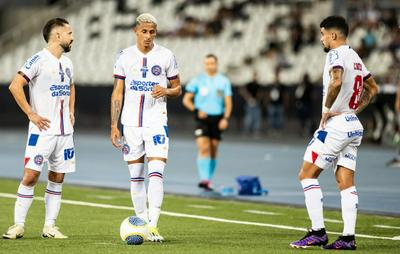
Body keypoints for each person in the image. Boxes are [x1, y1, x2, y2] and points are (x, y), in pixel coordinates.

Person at [290, 16, 378, 250]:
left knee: (307, 175)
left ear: (333, 35)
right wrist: (354, 110)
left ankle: (318, 232)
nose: (321, 39)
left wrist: (327, 111)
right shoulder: (356, 57)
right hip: (352, 124)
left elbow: (336, 81)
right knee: (345, 182)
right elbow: (373, 88)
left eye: (322, 34)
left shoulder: (336, 54)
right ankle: (348, 238)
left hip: (336, 125)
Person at [110, 13, 181, 242]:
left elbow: (178, 87)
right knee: (136, 176)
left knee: (157, 173)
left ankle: (152, 225)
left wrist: (167, 91)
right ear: (136, 31)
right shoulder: (124, 56)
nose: (149, 36)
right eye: (144, 31)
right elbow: (118, 92)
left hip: (156, 122)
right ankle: (141, 222)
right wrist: (114, 124)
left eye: (152, 32)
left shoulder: (166, 55)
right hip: (130, 125)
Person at [3, 18, 75, 239]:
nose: (73, 37)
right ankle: (18, 225)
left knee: (57, 177)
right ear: (57, 35)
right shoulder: (38, 60)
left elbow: (72, 86)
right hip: (42, 131)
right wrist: (31, 113)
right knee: (31, 176)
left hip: (65, 133)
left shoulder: (69, 63)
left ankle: (50, 227)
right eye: (69, 33)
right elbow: (15, 85)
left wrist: (72, 111)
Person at [182, 54, 232, 191]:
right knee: (204, 147)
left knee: (213, 150)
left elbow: (228, 103)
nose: (210, 66)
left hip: (218, 118)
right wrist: (196, 110)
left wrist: (226, 118)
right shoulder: (198, 80)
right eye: (207, 63)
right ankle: (204, 179)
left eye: (212, 63)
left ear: (216, 64)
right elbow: (186, 100)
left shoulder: (223, 81)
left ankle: (208, 180)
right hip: (202, 119)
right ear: (204, 65)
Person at [240, 71, 263, 136]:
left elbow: (261, 94)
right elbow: (242, 90)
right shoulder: (249, 84)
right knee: (248, 118)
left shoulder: (258, 85)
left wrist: (257, 100)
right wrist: (248, 98)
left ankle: (256, 130)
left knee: (257, 117)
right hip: (249, 103)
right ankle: (246, 130)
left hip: (256, 103)